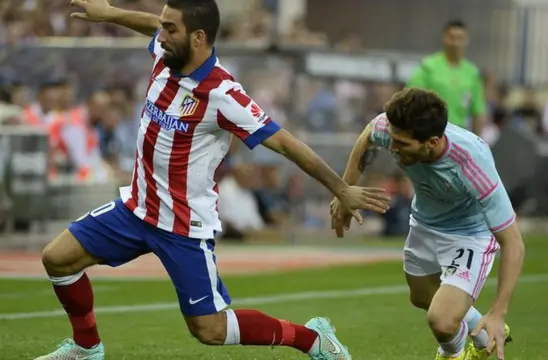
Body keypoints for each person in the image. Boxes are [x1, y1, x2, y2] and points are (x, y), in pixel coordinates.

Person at [35, 0, 392, 360]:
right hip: (136, 208)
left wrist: (342, 188)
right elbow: (151, 25)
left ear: (198, 37)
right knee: (58, 258)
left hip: (183, 226)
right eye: (163, 25)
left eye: (171, 29)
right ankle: (86, 347)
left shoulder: (223, 94)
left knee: (210, 330)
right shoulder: (165, 54)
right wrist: (109, 13)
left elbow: (284, 142)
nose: (161, 34)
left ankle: (312, 339)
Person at [330, 88, 525, 360]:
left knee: (442, 320)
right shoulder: (392, 129)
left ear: (432, 142)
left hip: (469, 235)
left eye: (401, 143)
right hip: (424, 223)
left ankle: (454, 355)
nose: (392, 147)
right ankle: (481, 340)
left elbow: (513, 242)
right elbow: (368, 136)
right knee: (421, 298)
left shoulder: (472, 162)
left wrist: (497, 312)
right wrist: (345, 191)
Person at [407, 20, 487, 136]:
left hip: (459, 136)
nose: (455, 43)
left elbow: (478, 111)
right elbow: (411, 99)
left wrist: (478, 143)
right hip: (430, 134)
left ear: (466, 40)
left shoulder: (472, 73)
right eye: (451, 38)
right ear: (444, 38)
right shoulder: (428, 67)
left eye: (460, 38)